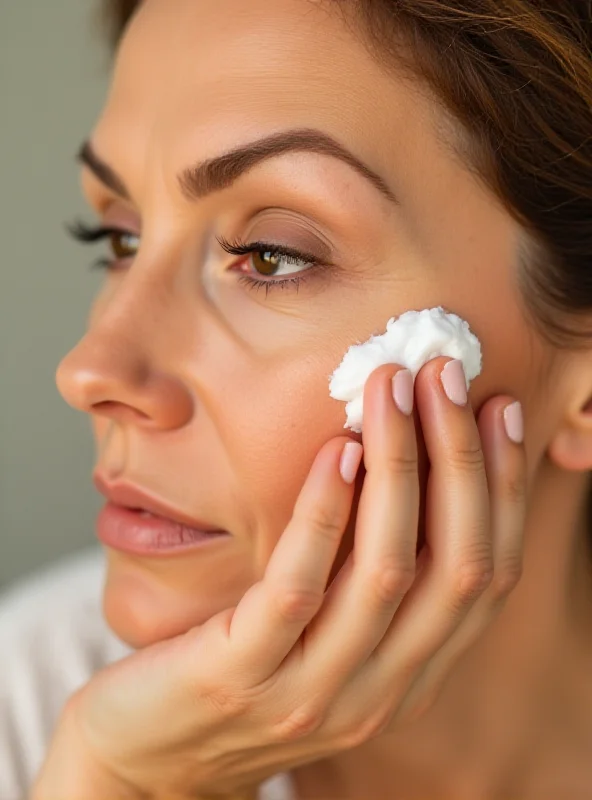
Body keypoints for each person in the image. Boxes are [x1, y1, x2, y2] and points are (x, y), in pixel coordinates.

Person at [1, 0, 592, 797]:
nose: (93, 370)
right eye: (121, 239)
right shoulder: (27, 713)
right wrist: (117, 781)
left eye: (271, 255)